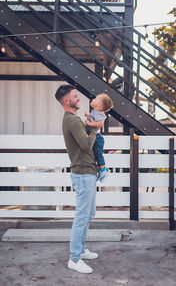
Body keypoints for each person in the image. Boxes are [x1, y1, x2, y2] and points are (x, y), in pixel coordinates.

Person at [55, 85, 101, 274]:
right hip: (83, 173)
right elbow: (85, 146)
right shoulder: (72, 120)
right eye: (75, 96)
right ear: (66, 101)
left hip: (86, 172)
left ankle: (80, 250)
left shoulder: (73, 119)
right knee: (82, 217)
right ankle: (74, 258)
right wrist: (95, 129)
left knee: (89, 214)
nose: (78, 98)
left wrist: (89, 127)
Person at [84, 93, 114, 183]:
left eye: (96, 98)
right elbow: (94, 117)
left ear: (100, 104)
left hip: (97, 138)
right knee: (94, 154)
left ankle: (103, 169)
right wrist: (88, 115)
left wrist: (90, 124)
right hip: (94, 136)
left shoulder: (101, 114)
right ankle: (99, 169)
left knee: (98, 153)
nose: (93, 99)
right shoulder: (95, 111)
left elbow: (100, 123)